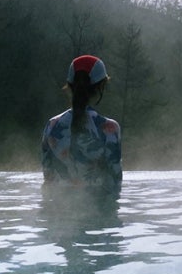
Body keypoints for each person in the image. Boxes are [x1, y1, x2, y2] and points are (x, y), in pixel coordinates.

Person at [41, 54, 122, 196]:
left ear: (70, 86)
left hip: (56, 210)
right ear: (101, 86)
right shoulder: (110, 129)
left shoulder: (52, 125)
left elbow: (48, 176)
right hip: (99, 210)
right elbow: (114, 182)